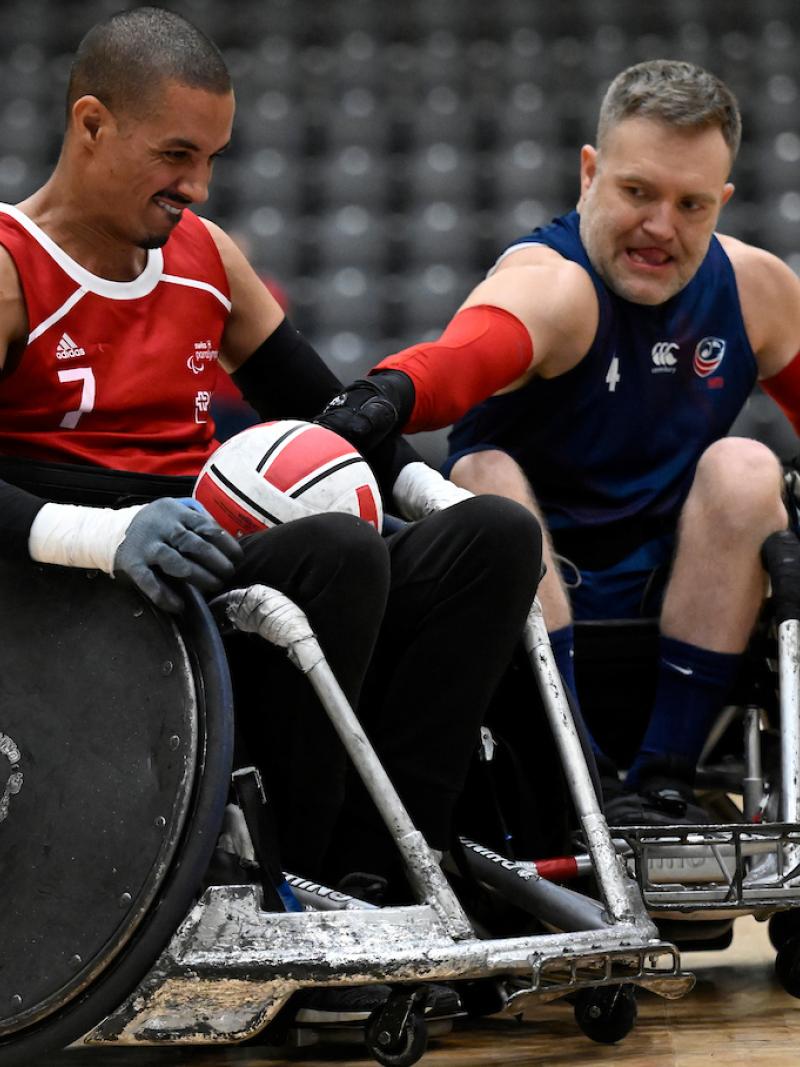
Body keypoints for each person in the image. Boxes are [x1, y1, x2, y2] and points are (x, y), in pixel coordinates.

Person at [0, 6, 544, 1025]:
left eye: (210, 159)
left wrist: (421, 489)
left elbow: (325, 405)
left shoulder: (208, 258)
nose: (197, 187)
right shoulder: (8, 264)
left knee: (490, 536)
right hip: (81, 598)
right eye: (175, 155)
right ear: (89, 124)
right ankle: (276, 889)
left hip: (211, 569)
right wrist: (97, 533)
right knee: (335, 551)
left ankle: (385, 885)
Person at [316, 59, 800, 826]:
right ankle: (576, 782)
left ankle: (662, 781)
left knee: (747, 467)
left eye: (692, 204)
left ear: (724, 202)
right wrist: (385, 395)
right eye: (637, 192)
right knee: (484, 472)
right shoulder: (556, 281)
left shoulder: (754, 289)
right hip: (519, 644)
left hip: (686, 618)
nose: (661, 227)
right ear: (589, 173)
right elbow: (465, 356)